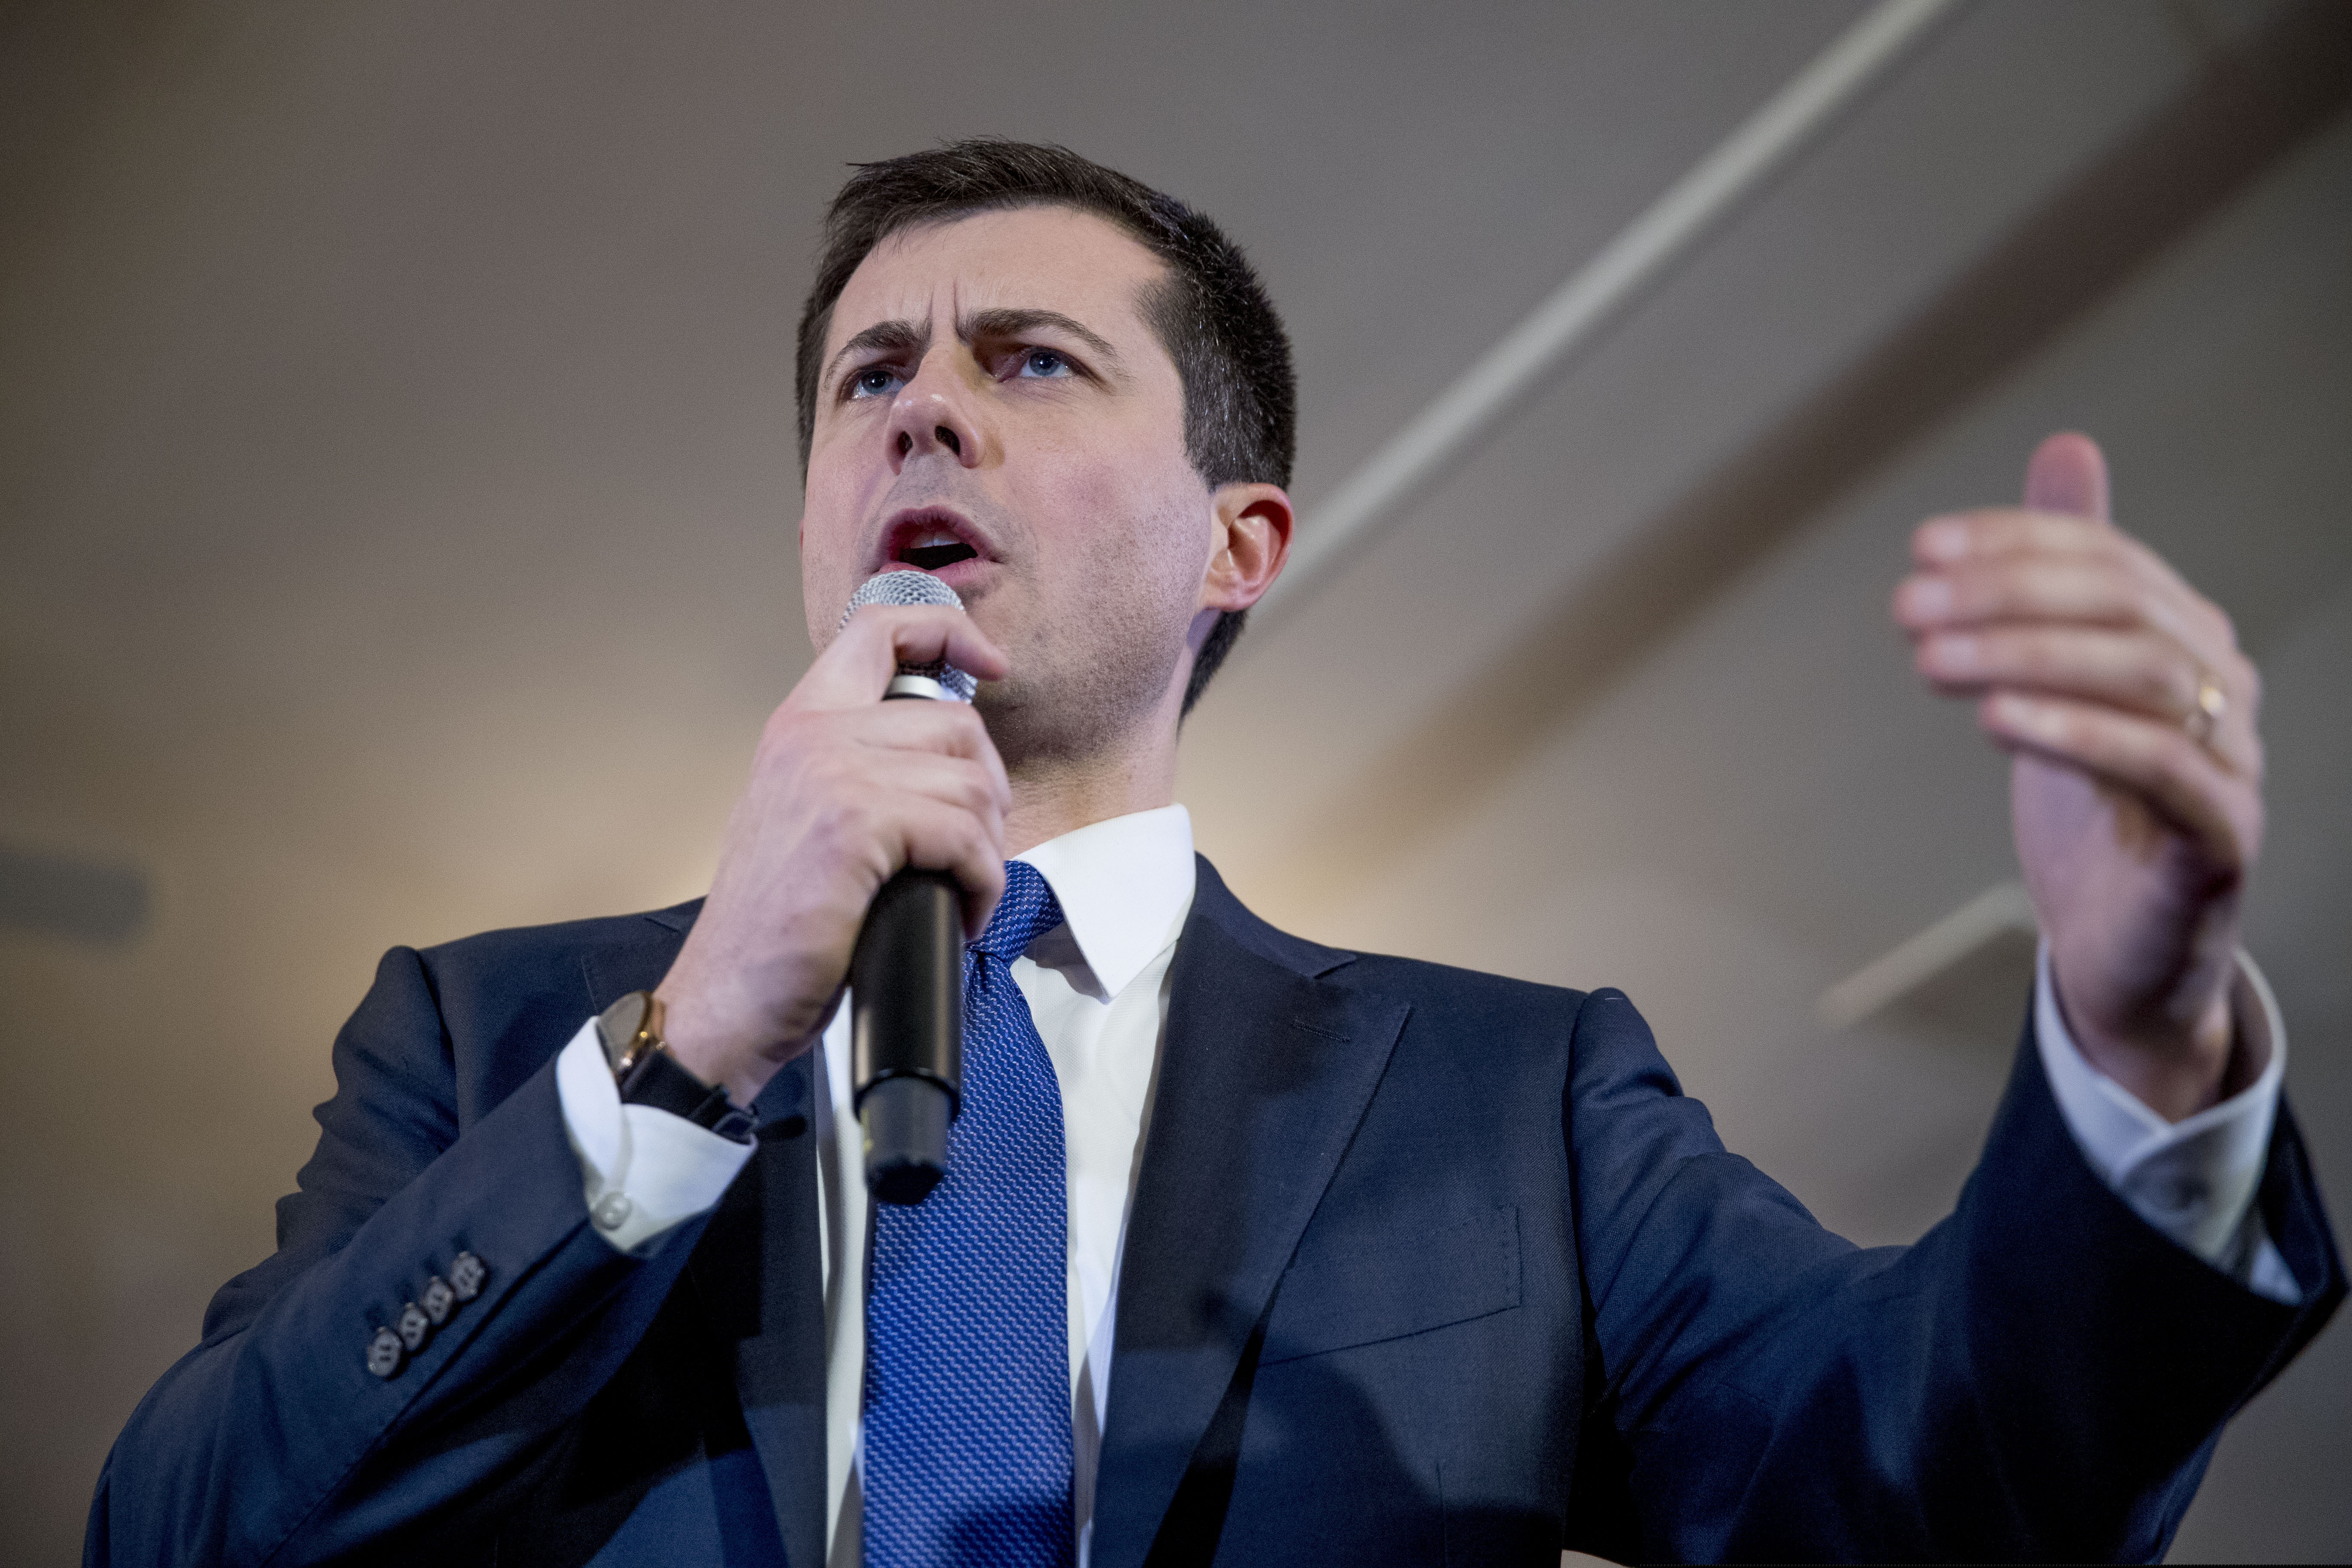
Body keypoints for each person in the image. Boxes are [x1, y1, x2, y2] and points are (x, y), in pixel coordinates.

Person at [88, 139, 2341, 1568]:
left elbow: (1934, 1503)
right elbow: (187, 1528)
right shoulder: (493, 1037)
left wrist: (2139, 1039)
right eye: (866, 378)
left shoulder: (1522, 1115)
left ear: (1241, 537)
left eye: (1031, 361)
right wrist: (687, 1055)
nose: (922, 407)